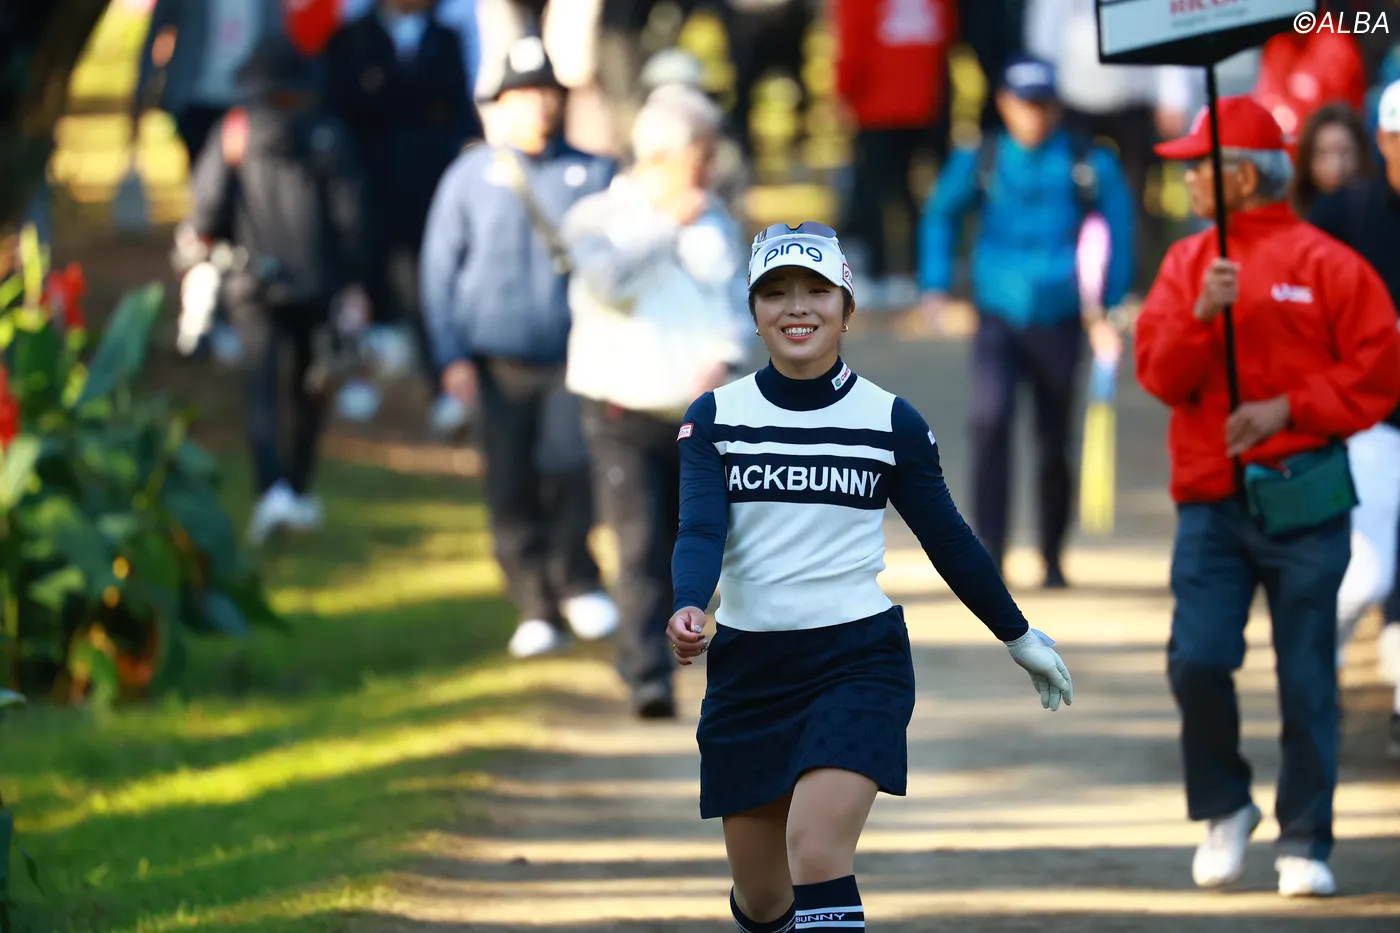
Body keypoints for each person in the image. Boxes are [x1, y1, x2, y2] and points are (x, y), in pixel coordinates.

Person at [667, 221, 1075, 932]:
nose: (798, 307)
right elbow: (701, 530)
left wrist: (1019, 635)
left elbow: (950, 540)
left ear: (847, 308)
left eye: (817, 291)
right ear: (753, 310)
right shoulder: (715, 418)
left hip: (856, 661)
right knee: (763, 897)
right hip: (749, 669)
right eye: (776, 293)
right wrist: (688, 604)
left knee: (816, 851)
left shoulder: (890, 421)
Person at [1135, 94, 1400, 898]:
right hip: (1210, 502)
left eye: (1199, 167)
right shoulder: (1187, 265)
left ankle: (1307, 836)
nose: (1186, 180)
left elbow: (1379, 370)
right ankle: (1224, 805)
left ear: (1243, 177)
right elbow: (1159, 375)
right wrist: (1200, 316)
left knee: (1308, 672)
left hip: (1305, 500)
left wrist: (1291, 408)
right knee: (1197, 657)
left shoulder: (1327, 263)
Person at [420, 36, 619, 659]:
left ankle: (577, 577)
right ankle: (534, 602)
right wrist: (450, 356)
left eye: (545, 93)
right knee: (509, 484)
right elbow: (438, 270)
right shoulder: (469, 177)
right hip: (494, 361)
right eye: (522, 95)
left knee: (571, 468)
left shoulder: (596, 174)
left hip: (573, 357)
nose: (536, 106)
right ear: (499, 105)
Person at [561, 85, 751, 719]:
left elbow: (737, 302)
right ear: (664, 156)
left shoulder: (716, 218)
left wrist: (725, 357)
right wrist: (669, 224)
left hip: (696, 415)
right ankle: (648, 673)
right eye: (702, 155)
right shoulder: (596, 216)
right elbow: (607, 282)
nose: (711, 168)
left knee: (691, 544)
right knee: (640, 540)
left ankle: (662, 650)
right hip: (622, 408)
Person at [918, 55, 1135, 587]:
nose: (1034, 114)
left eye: (1042, 103)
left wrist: (1109, 304)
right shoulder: (984, 157)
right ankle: (989, 553)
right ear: (1004, 105)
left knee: (1054, 437)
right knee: (990, 422)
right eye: (1024, 103)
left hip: (1063, 314)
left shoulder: (1088, 160)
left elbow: (1119, 228)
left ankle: (1052, 555)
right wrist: (936, 285)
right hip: (998, 312)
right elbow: (942, 213)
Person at [187, 34, 371, 545]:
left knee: (261, 388)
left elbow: (207, 209)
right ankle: (297, 484)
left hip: (252, 281)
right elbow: (352, 216)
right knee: (312, 387)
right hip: (318, 283)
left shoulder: (236, 133)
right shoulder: (328, 135)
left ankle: (272, 489)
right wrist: (352, 280)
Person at [324, 0, 481, 428]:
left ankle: (442, 384)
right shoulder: (351, 40)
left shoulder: (445, 39)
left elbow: (457, 113)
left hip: (429, 191)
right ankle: (360, 377)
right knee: (362, 284)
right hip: (365, 191)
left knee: (430, 287)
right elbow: (341, 110)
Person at [1308, 80, 1400, 756]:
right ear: (1387, 140)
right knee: (1367, 574)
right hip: (1373, 421)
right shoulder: (1347, 211)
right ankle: (1316, 663)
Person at [1291, 102, 1372, 219]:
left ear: (1361, 153)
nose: (1336, 167)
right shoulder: (1294, 217)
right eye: (1322, 153)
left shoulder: (1381, 215)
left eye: (1345, 151)